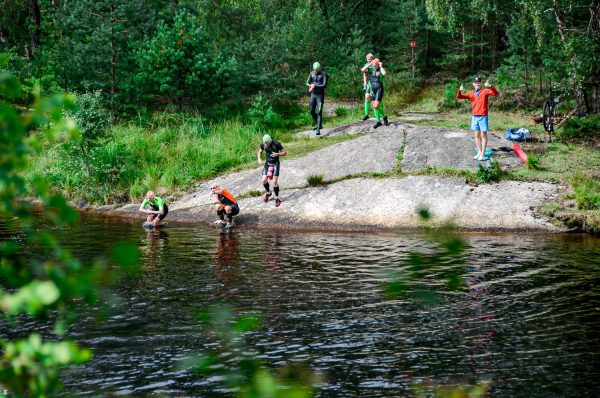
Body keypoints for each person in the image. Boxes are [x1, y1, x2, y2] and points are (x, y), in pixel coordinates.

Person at [457, 77, 499, 161]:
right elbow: (459, 96)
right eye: (476, 82)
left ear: (480, 83)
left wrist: (490, 86)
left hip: (483, 116)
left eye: (478, 82)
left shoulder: (485, 91)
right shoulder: (471, 93)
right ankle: (479, 151)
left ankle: (483, 153)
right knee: (476, 135)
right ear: (473, 84)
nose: (477, 84)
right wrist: (460, 90)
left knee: (483, 135)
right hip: (474, 116)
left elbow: (495, 93)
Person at [258, 134, 286, 207]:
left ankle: (277, 198)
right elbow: (260, 152)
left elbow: (285, 153)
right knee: (264, 180)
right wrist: (259, 158)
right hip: (267, 164)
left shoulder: (276, 143)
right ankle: (268, 192)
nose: (266, 144)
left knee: (274, 182)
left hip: (275, 164)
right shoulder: (263, 144)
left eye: (267, 142)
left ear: (270, 140)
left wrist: (277, 154)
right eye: (265, 143)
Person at [361, 58, 389, 128]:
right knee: (374, 106)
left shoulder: (380, 69)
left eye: (375, 65)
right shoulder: (370, 69)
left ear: (378, 64)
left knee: (376, 106)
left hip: (379, 89)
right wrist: (370, 64)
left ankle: (384, 117)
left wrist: (381, 66)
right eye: (373, 65)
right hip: (372, 89)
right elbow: (362, 70)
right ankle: (378, 121)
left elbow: (384, 73)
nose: (374, 66)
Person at [306, 61, 328, 135]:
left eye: (317, 70)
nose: (315, 71)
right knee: (311, 111)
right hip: (313, 95)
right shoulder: (311, 73)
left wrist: (315, 85)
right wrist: (311, 85)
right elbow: (307, 82)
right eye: (314, 70)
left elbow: (324, 85)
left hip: (320, 95)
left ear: (319, 69)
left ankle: (318, 129)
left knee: (319, 112)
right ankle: (319, 124)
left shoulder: (324, 74)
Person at [361, 53, 374, 121]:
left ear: (372, 58)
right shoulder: (366, 65)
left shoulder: (375, 63)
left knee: (374, 100)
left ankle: (380, 114)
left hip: (375, 84)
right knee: (367, 97)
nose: (369, 60)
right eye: (367, 59)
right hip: (369, 83)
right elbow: (364, 73)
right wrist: (365, 83)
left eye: (370, 59)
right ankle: (366, 114)